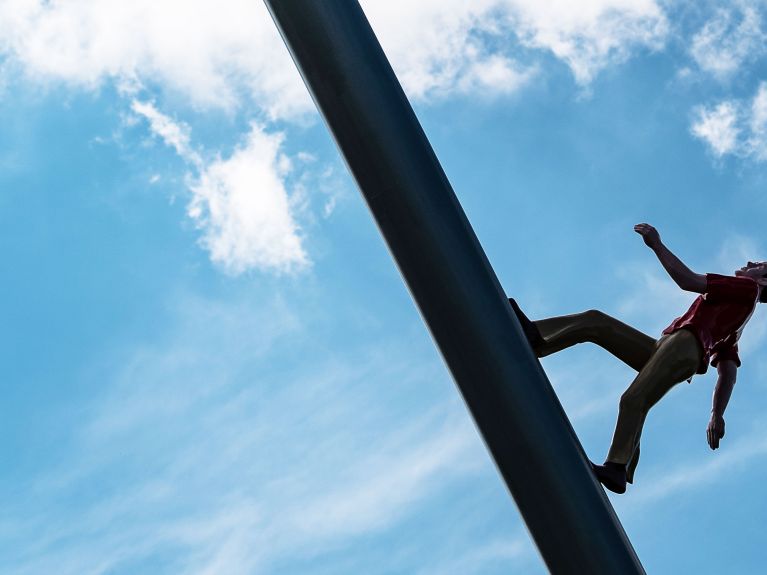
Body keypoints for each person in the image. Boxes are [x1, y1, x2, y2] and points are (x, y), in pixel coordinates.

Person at [509, 223, 767, 494]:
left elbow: (688, 280)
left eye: (759, 265)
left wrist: (656, 244)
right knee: (597, 323)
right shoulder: (738, 319)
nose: (750, 262)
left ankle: (617, 466)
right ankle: (538, 335)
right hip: (668, 347)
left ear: (763, 280)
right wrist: (717, 413)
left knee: (634, 400)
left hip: (684, 346)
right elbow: (728, 370)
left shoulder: (746, 288)